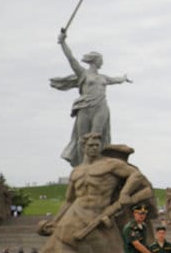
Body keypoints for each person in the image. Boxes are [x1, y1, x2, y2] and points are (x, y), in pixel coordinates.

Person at [50, 28, 131, 167]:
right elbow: (71, 59)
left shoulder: (103, 77)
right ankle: (82, 167)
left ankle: (96, 166)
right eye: (101, 60)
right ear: (94, 60)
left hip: (101, 107)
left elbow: (115, 80)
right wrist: (63, 42)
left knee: (97, 136)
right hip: (85, 106)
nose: (102, 62)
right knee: (82, 138)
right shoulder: (83, 73)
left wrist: (123, 78)